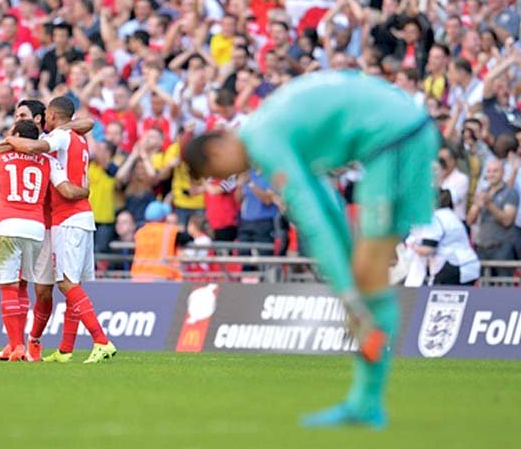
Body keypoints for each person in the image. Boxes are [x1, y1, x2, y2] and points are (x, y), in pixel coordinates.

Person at [183, 72, 439, 429]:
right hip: (396, 133)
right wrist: (348, 290)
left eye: (215, 172)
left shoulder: (264, 140)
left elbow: (315, 220)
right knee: (366, 277)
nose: (223, 179)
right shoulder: (268, 128)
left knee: (370, 278)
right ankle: (365, 402)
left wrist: (348, 296)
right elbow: (327, 205)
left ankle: (366, 403)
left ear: (216, 151)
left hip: (396, 138)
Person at [2, 96, 117, 364]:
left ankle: (101, 341)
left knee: (66, 283)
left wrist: (10, 141)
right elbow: (85, 124)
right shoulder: (78, 137)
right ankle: (65, 350)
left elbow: (38, 147)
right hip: (72, 219)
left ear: (49, 116)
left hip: (66, 219)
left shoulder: (60, 137)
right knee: (64, 285)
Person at [0, 119, 90, 362]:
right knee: (24, 283)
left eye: (12, 134)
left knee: (10, 287)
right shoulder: (49, 160)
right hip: (37, 230)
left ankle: (16, 346)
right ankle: (22, 344)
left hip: (9, 225)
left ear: (19, 136)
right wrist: (86, 191)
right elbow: (65, 189)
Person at [408, 189, 480, 286]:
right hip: (470, 266)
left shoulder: (435, 218)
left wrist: (412, 246)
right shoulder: (452, 215)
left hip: (453, 265)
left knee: (434, 298)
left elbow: (427, 249)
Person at [467, 159, 518, 269]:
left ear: (503, 173)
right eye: (489, 171)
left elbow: (508, 220)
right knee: (482, 284)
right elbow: (470, 221)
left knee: (503, 284)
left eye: (495, 171)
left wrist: (489, 204)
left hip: (502, 249)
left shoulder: (510, 192)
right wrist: (477, 207)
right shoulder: (482, 192)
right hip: (481, 248)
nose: (491, 174)